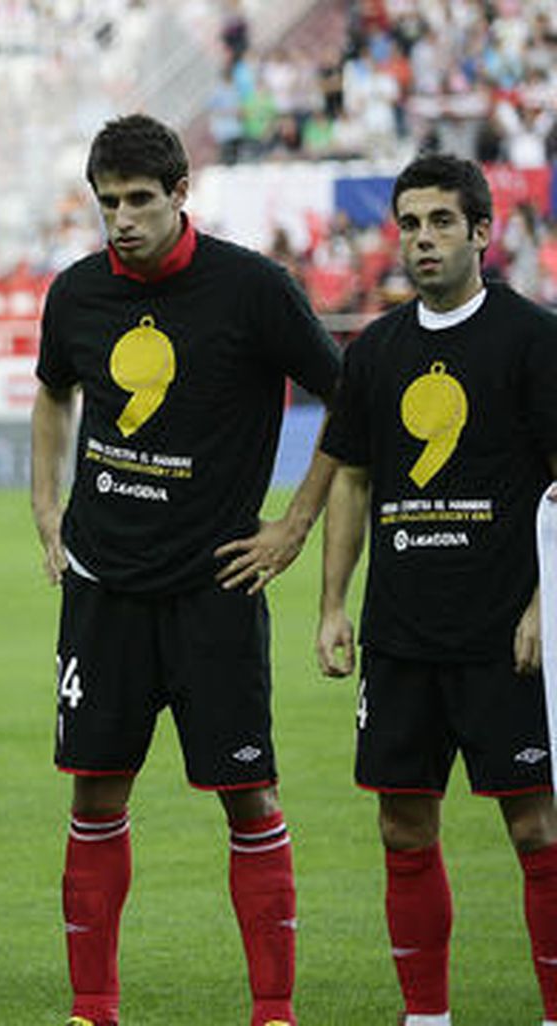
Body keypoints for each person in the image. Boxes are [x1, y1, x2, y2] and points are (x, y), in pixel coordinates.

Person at [30, 113, 341, 1026]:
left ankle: (273, 1011)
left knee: (249, 794)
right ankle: (94, 1009)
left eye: (138, 200)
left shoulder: (253, 291)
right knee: (95, 793)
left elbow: (348, 398)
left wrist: (294, 523)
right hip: (104, 588)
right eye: (107, 203)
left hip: (216, 588)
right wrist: (46, 510)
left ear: (180, 195)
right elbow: (54, 394)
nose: (121, 219)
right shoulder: (77, 294)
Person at [317, 153, 557, 1026]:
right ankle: (426, 1018)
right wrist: (334, 605)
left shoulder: (534, 340)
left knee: (537, 831)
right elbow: (349, 481)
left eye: (442, 222)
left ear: (483, 233)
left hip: (508, 636)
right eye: (410, 223)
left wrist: (544, 607)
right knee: (402, 830)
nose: (423, 239)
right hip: (402, 634)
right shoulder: (377, 349)